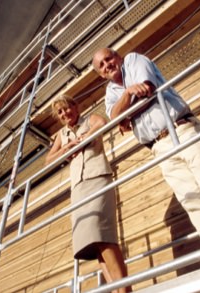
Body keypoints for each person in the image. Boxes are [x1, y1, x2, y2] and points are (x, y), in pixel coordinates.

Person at [92, 48, 200, 257]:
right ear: (100, 74)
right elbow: (115, 117)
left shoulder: (133, 60)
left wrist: (126, 116)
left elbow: (146, 91)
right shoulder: (111, 92)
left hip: (181, 129)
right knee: (193, 203)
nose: (107, 65)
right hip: (158, 147)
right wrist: (128, 95)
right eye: (101, 65)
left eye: (108, 59)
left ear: (117, 57)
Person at [45, 95, 131, 292]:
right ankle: (116, 288)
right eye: (60, 112)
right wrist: (66, 148)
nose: (65, 113)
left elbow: (102, 123)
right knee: (93, 241)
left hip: (97, 177)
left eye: (67, 108)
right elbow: (48, 161)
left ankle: (125, 289)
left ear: (76, 107)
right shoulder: (61, 134)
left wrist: (82, 140)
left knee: (103, 233)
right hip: (78, 186)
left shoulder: (89, 119)